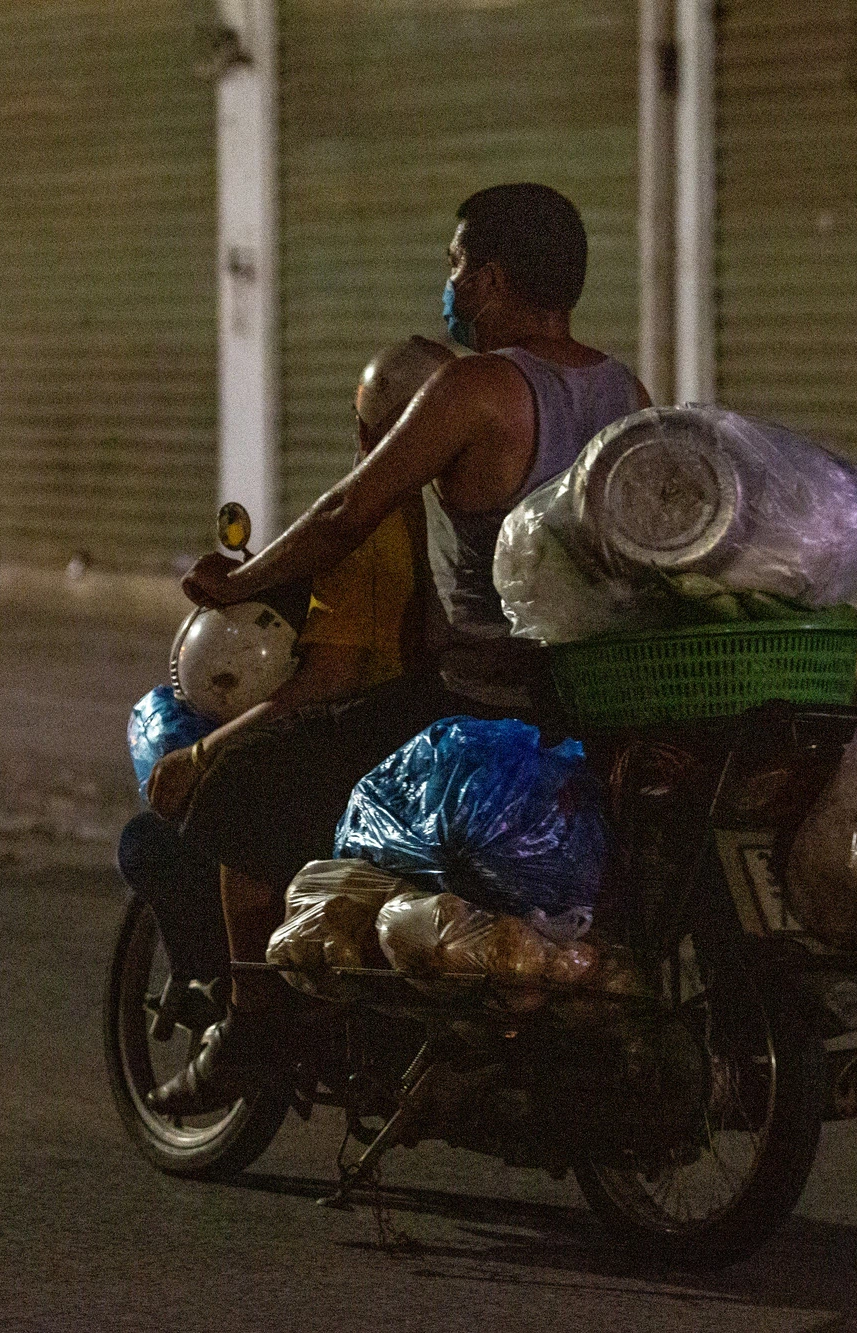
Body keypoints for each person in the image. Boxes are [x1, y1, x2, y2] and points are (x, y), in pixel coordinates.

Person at [125, 182, 649, 1115]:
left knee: (240, 791)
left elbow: (345, 509)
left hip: (480, 703)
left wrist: (236, 584)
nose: (450, 287)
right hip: (584, 697)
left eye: (455, 268)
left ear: (489, 278)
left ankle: (255, 1029)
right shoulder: (622, 390)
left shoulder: (477, 389)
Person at [123, 337, 454, 1006]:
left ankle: (250, 1015)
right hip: (433, 730)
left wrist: (200, 752)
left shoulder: (370, 518)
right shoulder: (446, 514)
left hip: (374, 741)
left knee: (219, 799)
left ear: (367, 430)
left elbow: (328, 680)